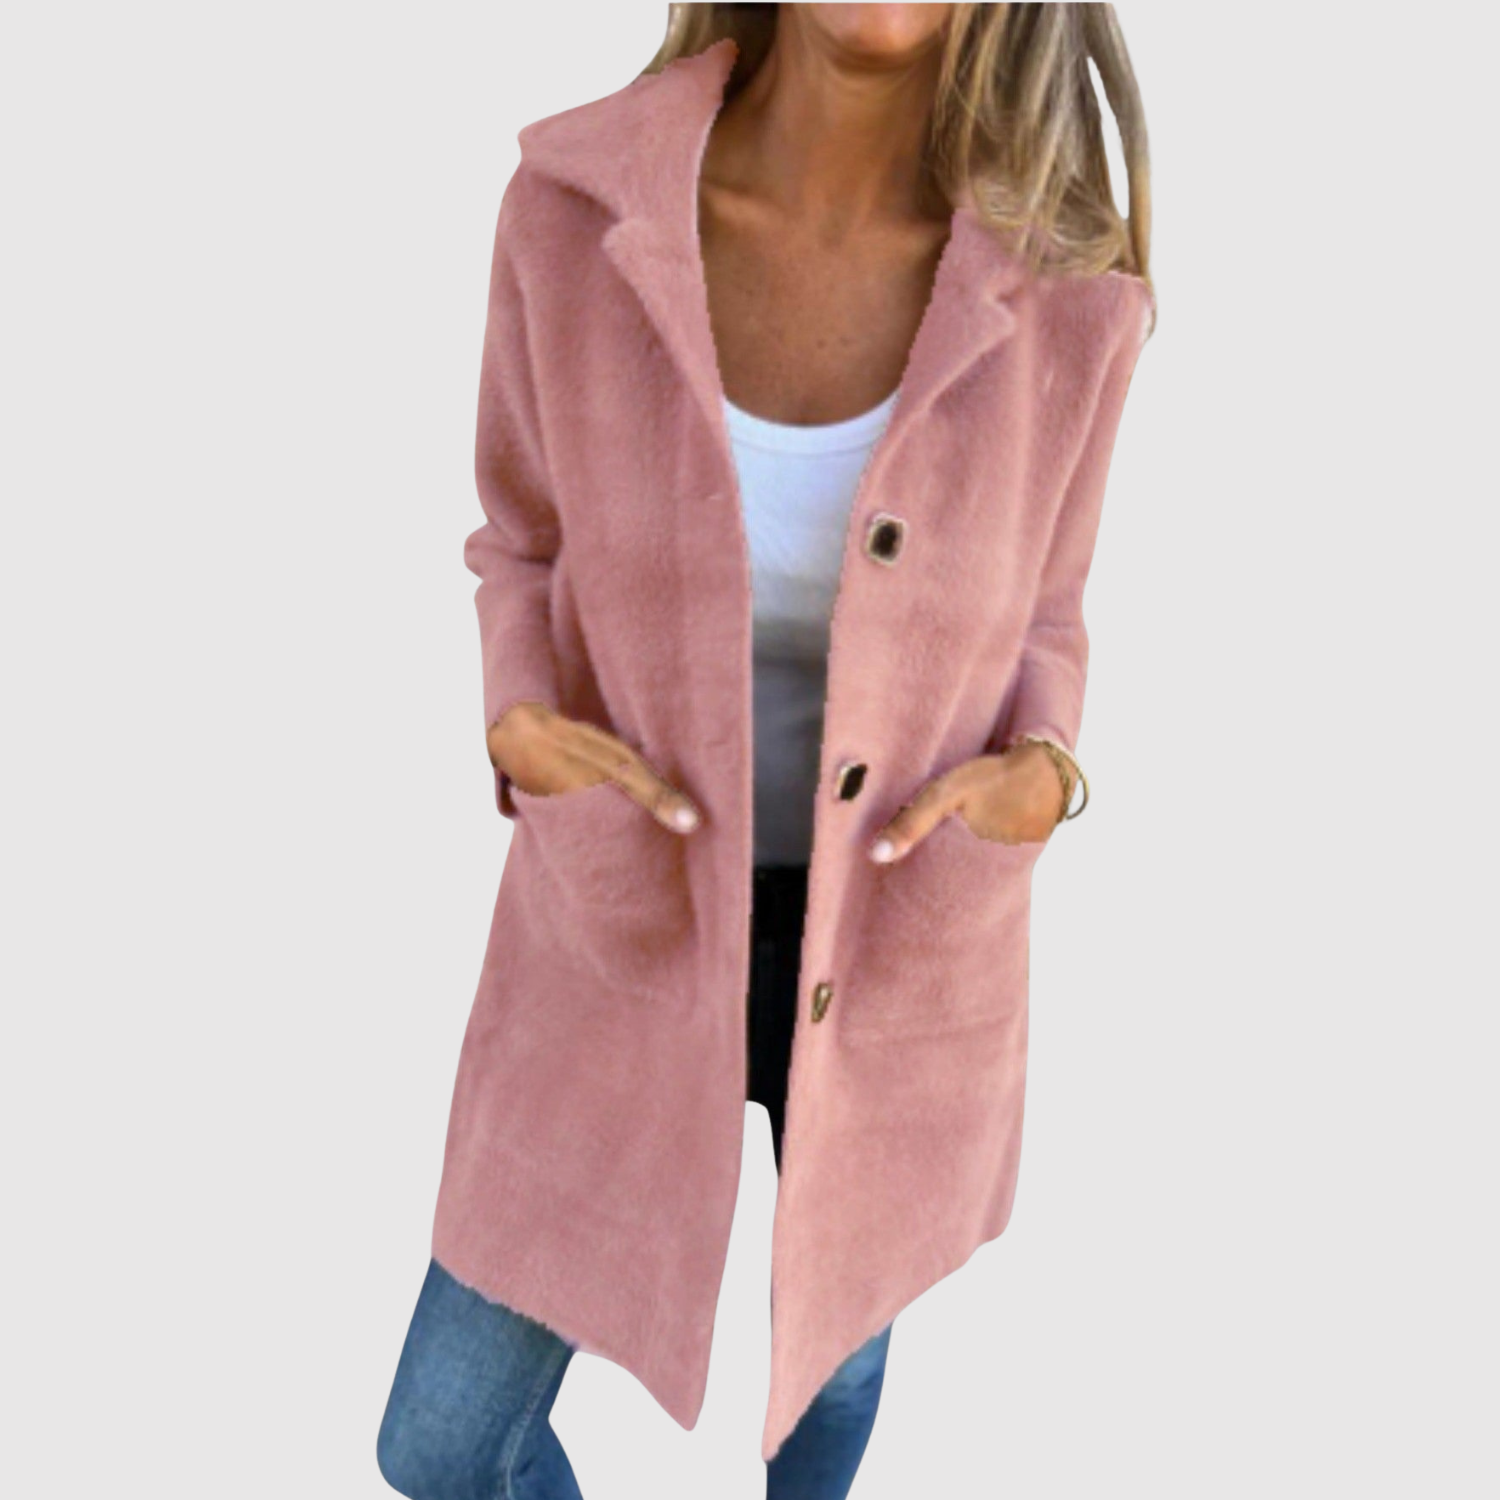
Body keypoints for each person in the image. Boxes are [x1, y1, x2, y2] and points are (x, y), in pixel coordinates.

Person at [378, 5, 1153, 1496]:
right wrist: (518, 719)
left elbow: (1052, 612)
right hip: (625, 909)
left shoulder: (1069, 286)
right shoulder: (575, 208)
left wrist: (1047, 772)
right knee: (442, 1438)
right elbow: (518, 538)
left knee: (830, 1376)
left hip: (900, 931)